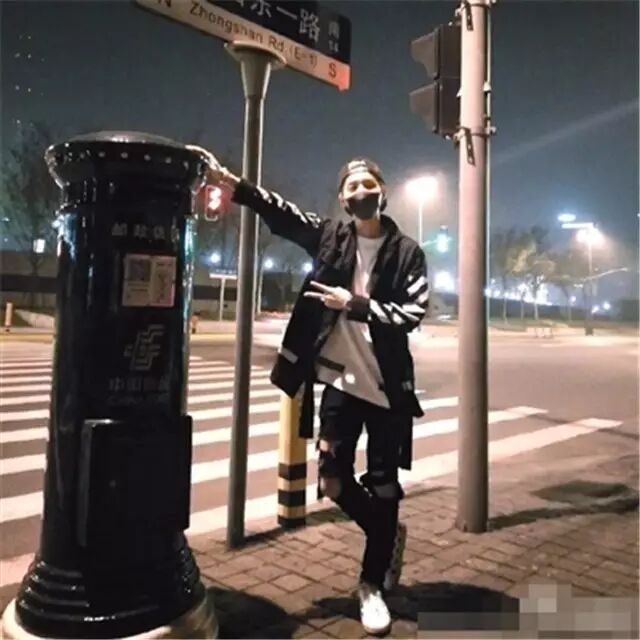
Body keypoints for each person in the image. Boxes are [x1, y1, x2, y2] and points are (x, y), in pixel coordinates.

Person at [200, 151, 428, 635]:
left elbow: (413, 313)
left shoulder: (407, 252)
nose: (361, 192)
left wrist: (355, 304)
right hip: (341, 384)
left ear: (383, 191)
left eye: (369, 184)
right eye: (352, 186)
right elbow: (280, 213)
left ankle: (371, 584)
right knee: (333, 481)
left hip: (387, 389)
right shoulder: (329, 238)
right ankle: (386, 534)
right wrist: (235, 185)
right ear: (342, 198)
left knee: (384, 486)